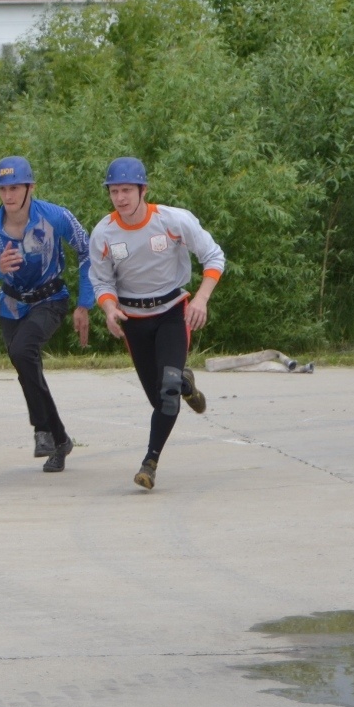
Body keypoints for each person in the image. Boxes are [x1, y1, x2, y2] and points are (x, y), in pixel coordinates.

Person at [87, 157, 224, 491]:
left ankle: (150, 462)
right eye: (114, 191)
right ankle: (186, 385)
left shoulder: (173, 220)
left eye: (127, 190)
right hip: (134, 321)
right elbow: (102, 282)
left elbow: (214, 256)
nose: (120, 198)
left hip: (171, 312)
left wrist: (202, 299)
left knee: (166, 396)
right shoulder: (104, 233)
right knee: (161, 398)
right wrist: (108, 310)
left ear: (143, 189)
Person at [0, 156, 93, 473]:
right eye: (2, 189)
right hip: (9, 306)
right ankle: (59, 440)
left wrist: (84, 304)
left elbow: (88, 249)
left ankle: (41, 430)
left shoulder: (56, 216)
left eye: (15, 188)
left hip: (51, 299)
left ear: (30, 188)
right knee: (26, 367)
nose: (8, 196)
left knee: (23, 351)